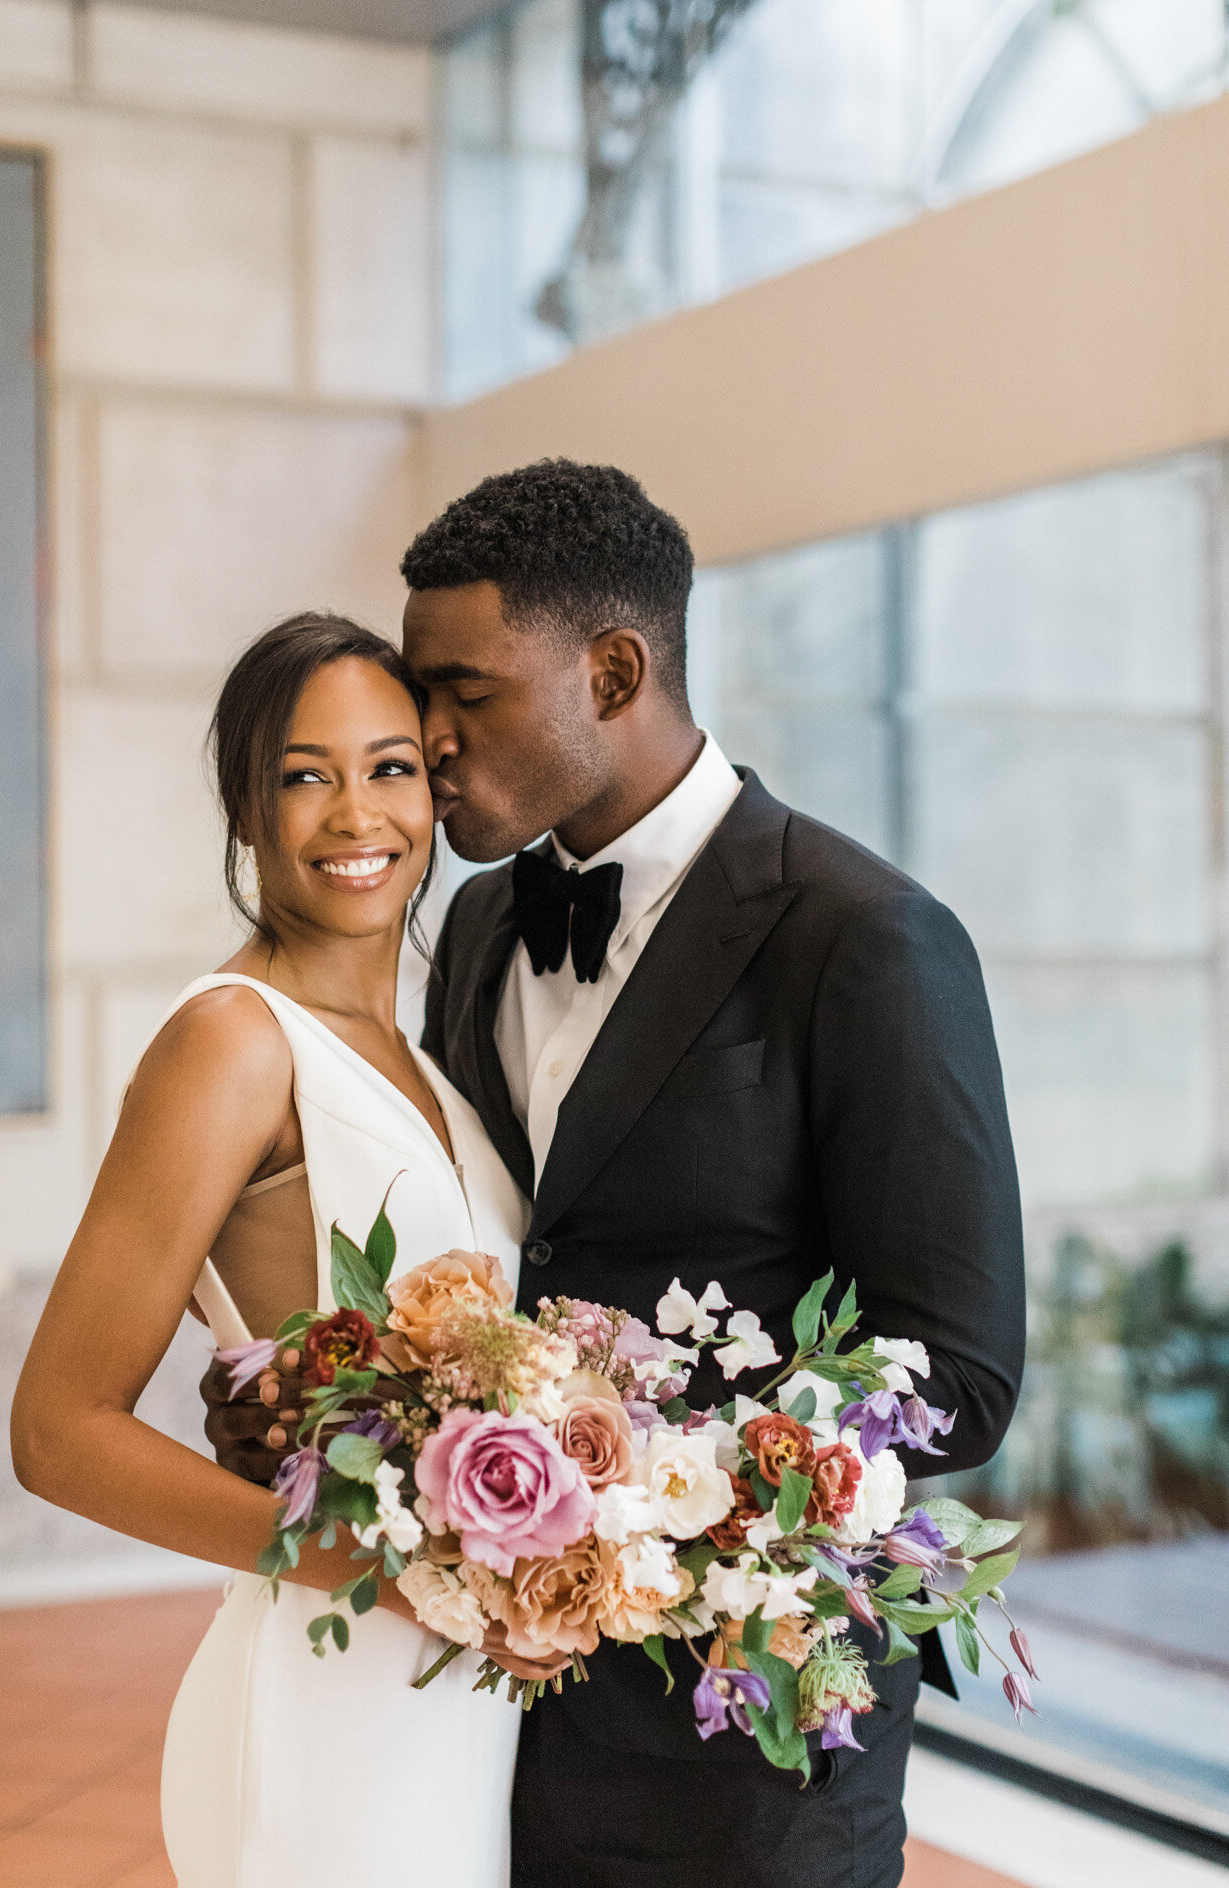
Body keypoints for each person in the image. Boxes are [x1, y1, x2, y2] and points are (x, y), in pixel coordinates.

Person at [206, 459, 1027, 1887]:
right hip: (481, 1722)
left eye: (465, 692)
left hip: (745, 1757)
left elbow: (956, 1377)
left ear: (614, 669)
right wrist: (346, 1419)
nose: (428, 739)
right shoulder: (465, 929)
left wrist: (624, 1502)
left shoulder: (866, 938)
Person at [12, 612, 548, 1888]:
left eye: (390, 766)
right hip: (329, 1685)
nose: (355, 813)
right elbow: (55, 1429)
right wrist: (388, 1571)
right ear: (248, 811)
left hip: (455, 1691)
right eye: (305, 775)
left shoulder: (430, 1060)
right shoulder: (234, 1041)